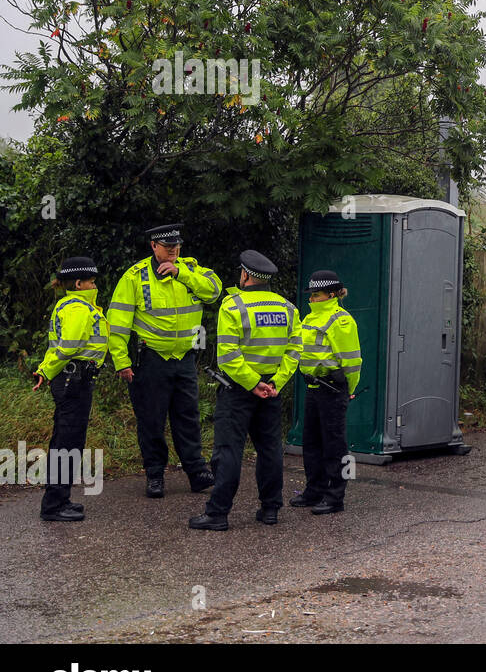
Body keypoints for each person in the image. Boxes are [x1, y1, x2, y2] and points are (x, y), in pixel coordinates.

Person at [106, 223, 221, 498]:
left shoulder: (192, 270)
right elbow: (118, 322)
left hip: (184, 357)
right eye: (168, 248)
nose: (173, 251)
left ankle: (196, 472)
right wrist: (121, 360)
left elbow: (214, 291)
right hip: (152, 358)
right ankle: (155, 474)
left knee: (188, 417)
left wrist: (182, 274)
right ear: (153, 246)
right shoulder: (135, 277)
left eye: (176, 247)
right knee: (151, 419)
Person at [190, 250, 301, 531]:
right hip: (272, 389)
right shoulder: (288, 308)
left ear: (245, 275)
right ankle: (270, 508)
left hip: (239, 389)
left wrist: (252, 384)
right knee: (270, 449)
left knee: (228, 450)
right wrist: (275, 382)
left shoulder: (233, 306)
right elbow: (294, 351)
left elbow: (228, 356)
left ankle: (217, 514)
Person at [32, 257, 108, 522]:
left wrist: (46, 370)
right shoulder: (77, 307)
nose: (94, 284)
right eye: (91, 281)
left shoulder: (75, 305)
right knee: (67, 443)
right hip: (73, 381)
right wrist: (46, 370)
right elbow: (68, 347)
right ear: (78, 283)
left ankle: (60, 499)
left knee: (66, 442)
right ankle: (53, 506)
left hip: (72, 380)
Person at [293, 270, 362, 515]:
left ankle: (335, 496)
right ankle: (314, 490)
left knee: (335, 445)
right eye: (311, 295)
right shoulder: (310, 318)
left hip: (333, 389)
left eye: (317, 295)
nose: (311, 299)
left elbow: (352, 361)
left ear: (331, 294)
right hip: (313, 387)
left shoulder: (340, 320)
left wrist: (348, 390)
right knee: (311, 442)